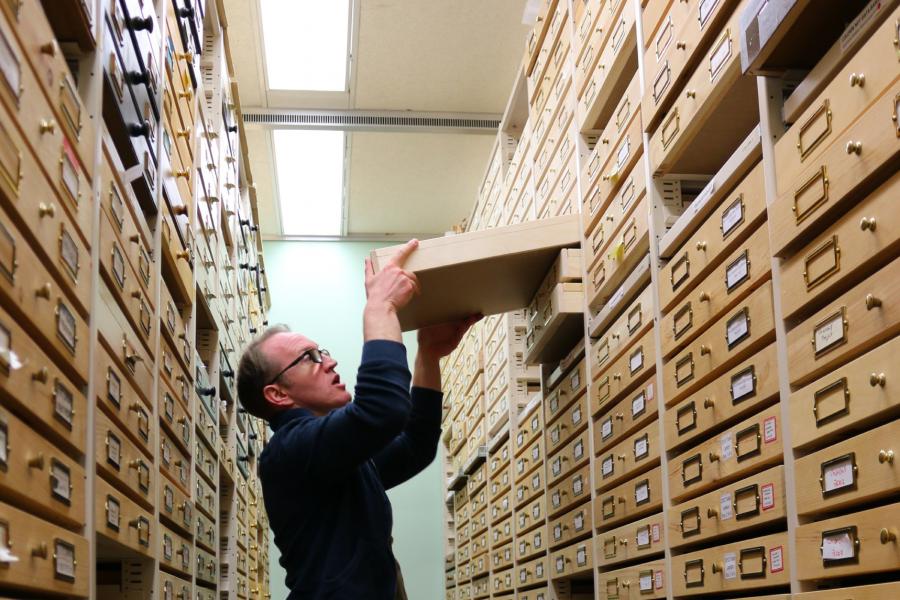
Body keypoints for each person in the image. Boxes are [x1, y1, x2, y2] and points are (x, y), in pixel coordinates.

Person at [236, 239, 480, 599]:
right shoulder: (291, 451)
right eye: (309, 357)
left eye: (322, 352)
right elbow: (381, 409)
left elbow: (414, 446)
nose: (329, 361)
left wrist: (428, 355)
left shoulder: (336, 460)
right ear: (278, 394)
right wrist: (380, 307)